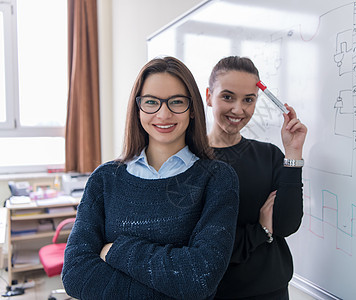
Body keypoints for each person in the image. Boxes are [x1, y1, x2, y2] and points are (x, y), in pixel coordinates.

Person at [62, 56, 240, 300]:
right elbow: (75, 275)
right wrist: (173, 284)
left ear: (193, 110)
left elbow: (200, 278)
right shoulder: (104, 179)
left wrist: (116, 250)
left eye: (176, 102)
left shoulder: (218, 179)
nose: (163, 113)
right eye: (151, 102)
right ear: (138, 109)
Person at [206, 56, 307, 300]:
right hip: (214, 293)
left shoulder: (270, 155)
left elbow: (286, 225)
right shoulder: (190, 161)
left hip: (271, 292)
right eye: (227, 97)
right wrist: (261, 231)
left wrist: (293, 152)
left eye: (248, 100)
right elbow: (207, 245)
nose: (238, 109)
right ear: (209, 96)